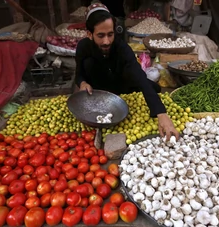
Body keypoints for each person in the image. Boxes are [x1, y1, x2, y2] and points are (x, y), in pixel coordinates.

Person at [74, 3, 179, 140]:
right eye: (100, 35)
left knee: (153, 87)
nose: (106, 41)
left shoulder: (122, 47)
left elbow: (139, 75)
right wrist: (82, 83)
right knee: (89, 63)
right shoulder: (83, 47)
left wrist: (161, 113)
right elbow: (79, 74)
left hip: (122, 85)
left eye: (110, 34)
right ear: (89, 34)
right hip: (98, 89)